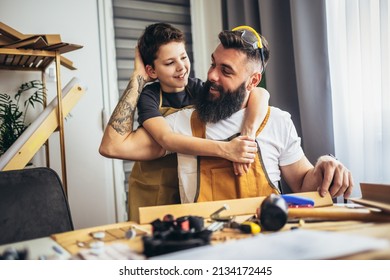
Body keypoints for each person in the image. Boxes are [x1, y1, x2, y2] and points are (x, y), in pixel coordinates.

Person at [101, 25, 353, 205]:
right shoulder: (179, 122)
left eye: (226, 70)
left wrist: (325, 166)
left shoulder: (276, 120)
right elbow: (114, 145)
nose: (211, 75)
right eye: (212, 64)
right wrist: (137, 78)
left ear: (253, 80)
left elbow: (303, 184)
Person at [99, 23, 271, 221]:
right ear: (152, 71)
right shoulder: (149, 96)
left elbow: (260, 92)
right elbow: (167, 138)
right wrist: (138, 76)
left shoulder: (198, 88)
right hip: (153, 190)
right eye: (169, 63)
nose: (181, 67)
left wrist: (247, 136)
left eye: (183, 57)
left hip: (186, 185)